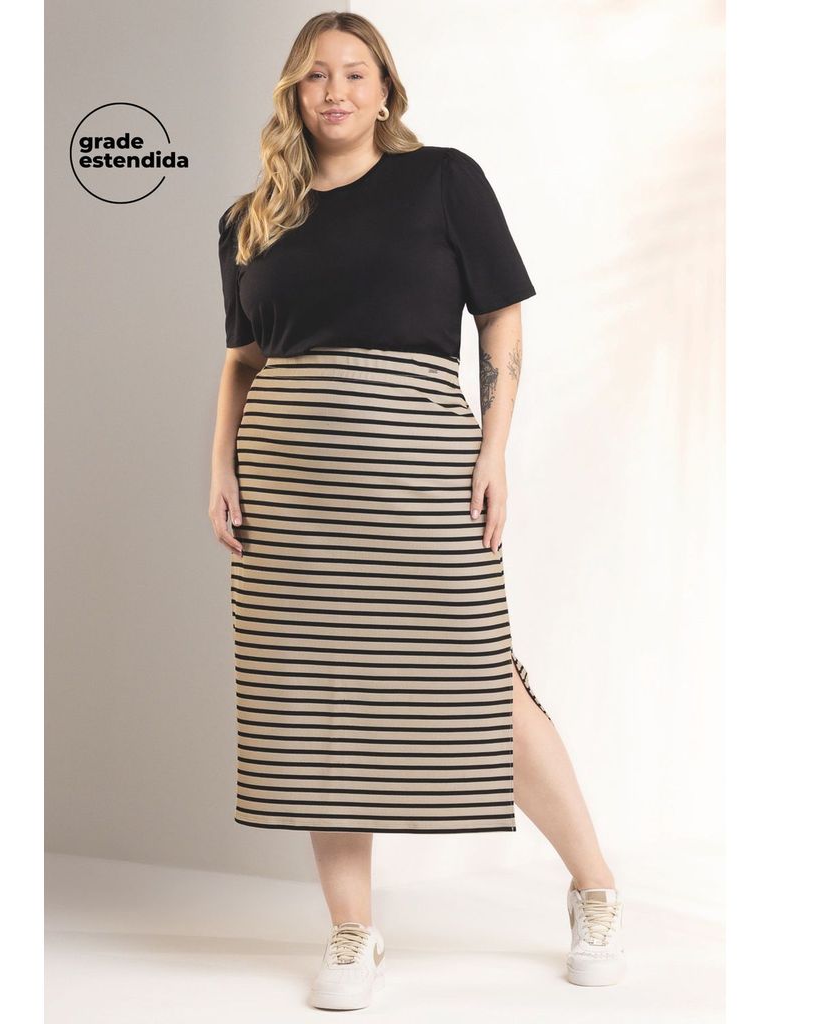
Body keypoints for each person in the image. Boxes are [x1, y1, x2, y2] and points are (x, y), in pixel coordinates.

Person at [209, 12, 625, 1011]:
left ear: (385, 89)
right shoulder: (248, 218)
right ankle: (352, 931)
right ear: (293, 91)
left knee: (482, 677)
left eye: (355, 74)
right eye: (317, 75)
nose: (335, 91)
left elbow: (501, 316)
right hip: (288, 492)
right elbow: (242, 359)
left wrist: (494, 447)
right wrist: (218, 464)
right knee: (317, 698)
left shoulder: (442, 180)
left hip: (419, 469)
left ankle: (596, 887)